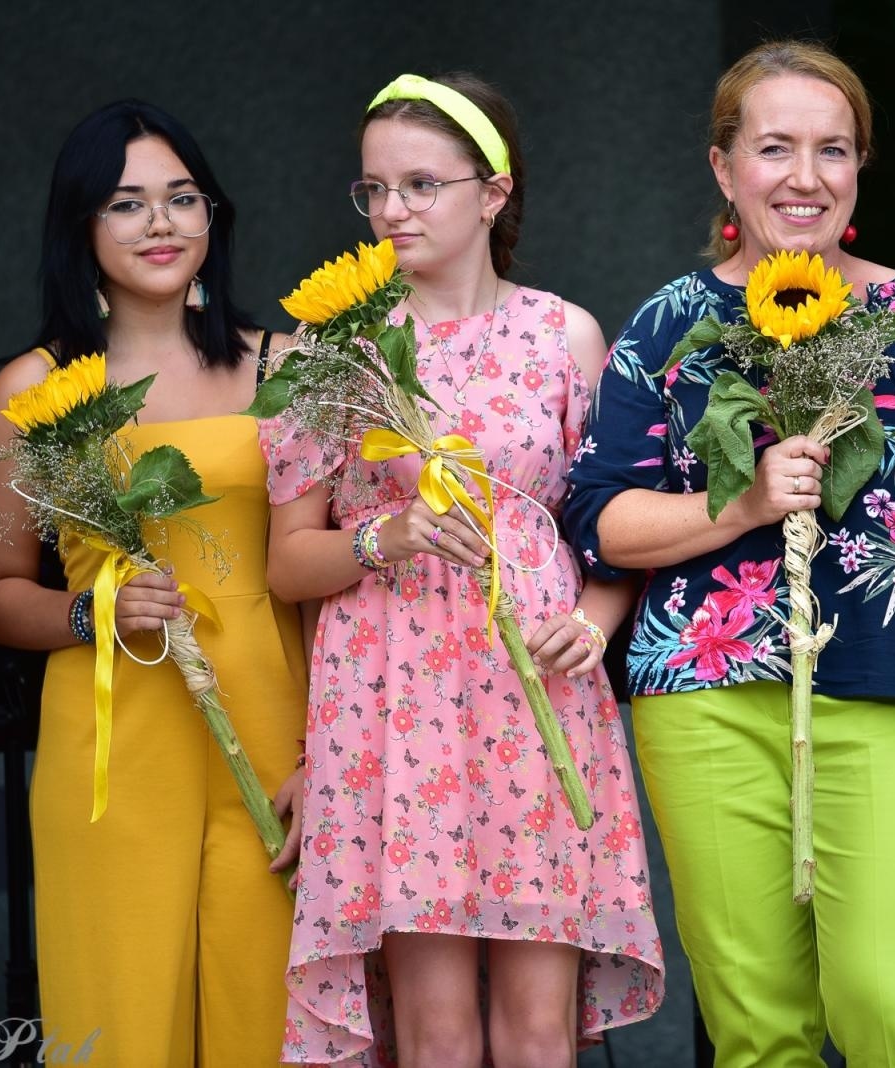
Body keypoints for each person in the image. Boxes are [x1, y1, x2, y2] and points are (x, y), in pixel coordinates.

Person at [563, 40, 895, 1067]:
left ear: (860, 168)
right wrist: (739, 507)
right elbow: (597, 518)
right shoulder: (667, 325)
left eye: (833, 150)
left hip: (887, 684)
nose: (805, 177)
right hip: (704, 693)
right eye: (775, 148)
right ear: (724, 168)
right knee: (757, 1030)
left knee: (888, 1003)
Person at [262, 72, 663, 1068]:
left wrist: (601, 619)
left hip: (537, 692)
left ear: (493, 192)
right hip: (393, 697)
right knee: (434, 1034)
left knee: (536, 1031)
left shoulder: (563, 335)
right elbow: (287, 562)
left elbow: (608, 526)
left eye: (421, 185)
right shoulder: (331, 350)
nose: (392, 211)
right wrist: (380, 540)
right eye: (374, 189)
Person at [0, 101, 307, 1066]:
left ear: (213, 216)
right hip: (115, 736)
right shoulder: (36, 387)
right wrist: (92, 609)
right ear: (81, 224)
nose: (160, 224)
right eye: (125, 204)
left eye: (180, 198)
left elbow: (324, 586)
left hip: (275, 742)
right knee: (119, 1023)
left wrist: (334, 755)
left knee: (266, 1023)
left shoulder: (281, 364)